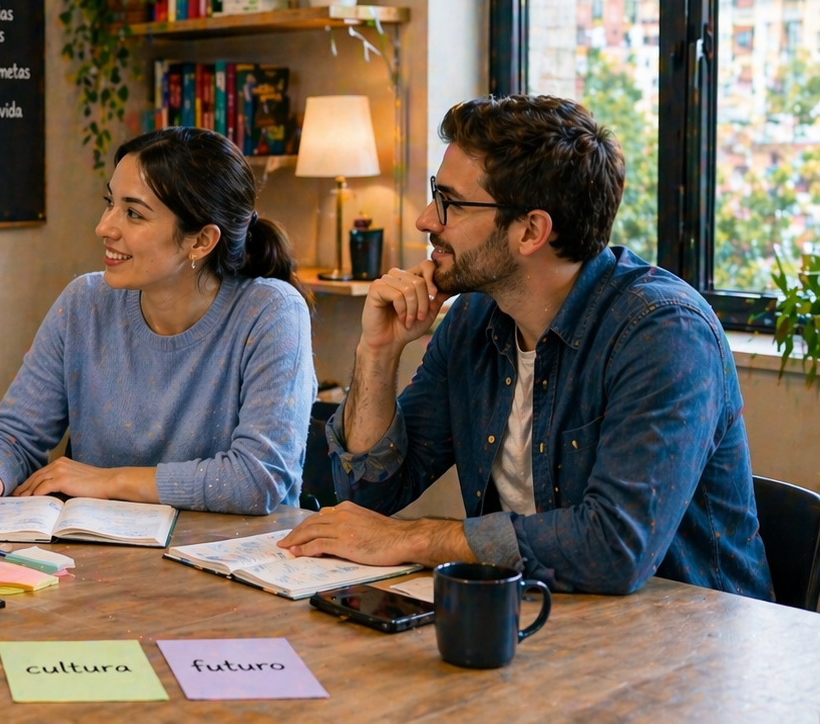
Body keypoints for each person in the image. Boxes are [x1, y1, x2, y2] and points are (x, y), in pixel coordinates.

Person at [278, 95, 772, 598]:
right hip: (545, 619)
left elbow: (615, 547)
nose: (427, 219)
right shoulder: (474, 319)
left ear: (531, 231)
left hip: (691, 644)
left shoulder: (664, 334)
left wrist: (418, 538)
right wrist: (377, 353)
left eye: (450, 202)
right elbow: (371, 493)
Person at [0, 127, 316, 519]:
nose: (105, 227)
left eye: (133, 213)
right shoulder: (84, 302)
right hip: (101, 564)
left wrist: (108, 481)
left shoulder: (272, 312)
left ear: (201, 241)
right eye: (110, 203)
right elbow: (13, 435)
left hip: (233, 566)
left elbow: (258, 480)